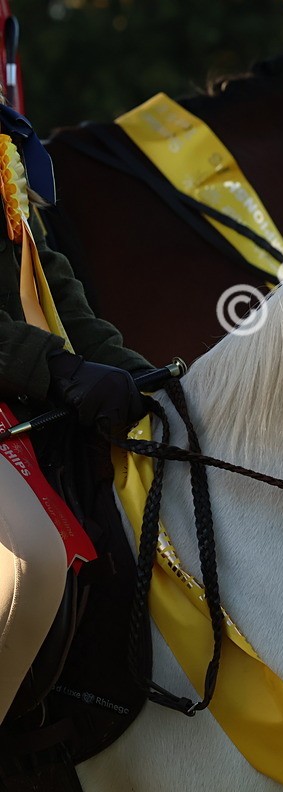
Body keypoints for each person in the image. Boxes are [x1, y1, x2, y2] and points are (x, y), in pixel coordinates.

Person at [0, 94, 150, 721]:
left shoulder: (4, 149)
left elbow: (51, 284)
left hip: (19, 396)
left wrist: (135, 374)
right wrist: (56, 368)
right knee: (35, 560)